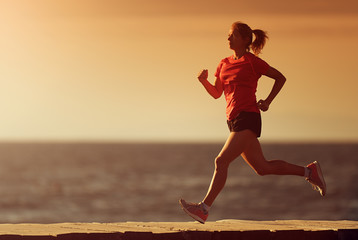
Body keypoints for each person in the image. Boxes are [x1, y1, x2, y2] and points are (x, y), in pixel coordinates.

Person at [179, 21, 326, 224]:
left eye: (233, 35)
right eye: (228, 35)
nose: (228, 38)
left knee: (220, 162)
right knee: (262, 168)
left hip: (248, 117)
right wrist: (203, 80)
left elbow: (280, 78)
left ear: (246, 39)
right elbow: (216, 93)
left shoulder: (252, 62)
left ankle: (203, 208)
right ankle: (310, 171)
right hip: (232, 120)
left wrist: (267, 101)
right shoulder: (223, 63)